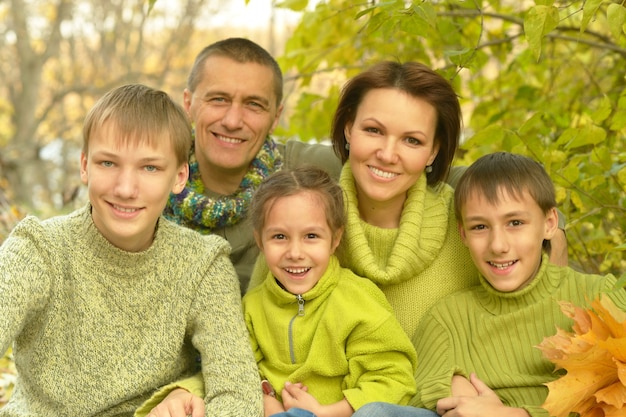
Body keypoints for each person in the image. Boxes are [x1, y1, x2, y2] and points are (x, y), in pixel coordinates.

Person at [163, 38, 571, 294]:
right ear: (188, 102)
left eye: (254, 105)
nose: (233, 121)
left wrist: (547, 274)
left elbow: (509, 194)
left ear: (276, 115)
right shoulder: (151, 181)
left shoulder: (306, 168)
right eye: (217, 99)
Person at [0, 84, 261, 416]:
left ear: (180, 176)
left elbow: (237, 392)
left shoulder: (202, 264)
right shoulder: (38, 250)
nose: (125, 188)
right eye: (108, 163)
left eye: (149, 167)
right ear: (85, 166)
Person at [353, 152, 626, 417]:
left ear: (549, 223)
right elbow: (414, 392)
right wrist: (450, 386)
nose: (498, 245)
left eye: (515, 222)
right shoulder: (449, 318)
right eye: (480, 227)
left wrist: (515, 414)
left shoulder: (598, 296)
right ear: (463, 234)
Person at [247, 167, 417, 417]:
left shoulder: (357, 299)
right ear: (260, 241)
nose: (295, 253)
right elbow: (235, 369)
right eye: (280, 236)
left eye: (311, 236)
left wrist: (325, 412)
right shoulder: (252, 307)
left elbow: (393, 379)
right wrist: (265, 398)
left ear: (335, 239)